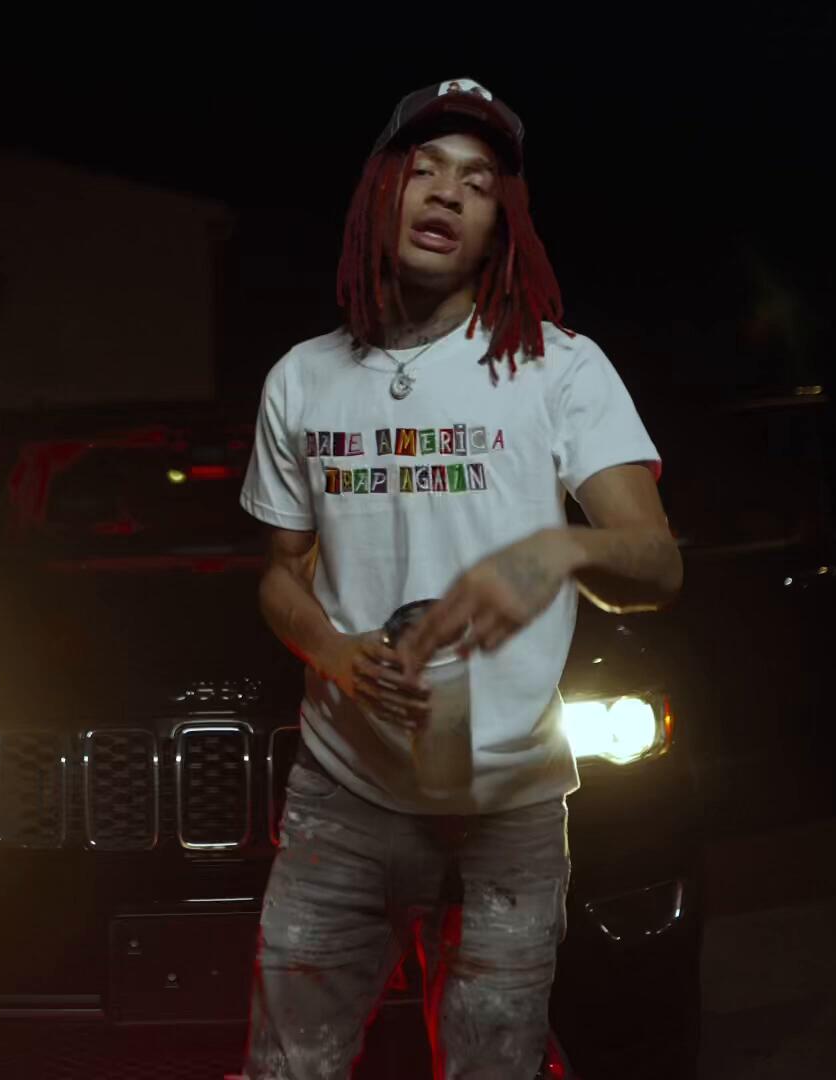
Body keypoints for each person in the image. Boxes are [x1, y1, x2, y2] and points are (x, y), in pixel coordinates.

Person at [237, 79, 682, 1079]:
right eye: (425, 170)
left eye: (477, 184)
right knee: (288, 1066)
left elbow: (658, 563)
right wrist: (335, 653)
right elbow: (278, 576)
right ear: (381, 193)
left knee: (493, 1066)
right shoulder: (303, 378)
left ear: (499, 226)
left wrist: (561, 550)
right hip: (343, 795)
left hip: (508, 803)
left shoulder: (559, 370)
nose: (447, 194)